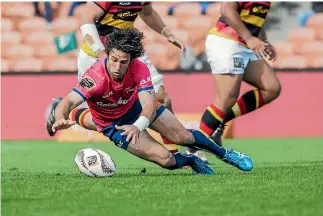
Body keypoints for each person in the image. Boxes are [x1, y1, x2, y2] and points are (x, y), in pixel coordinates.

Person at [49, 28, 253, 175]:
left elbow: (148, 105)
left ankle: (227, 154)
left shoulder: (140, 68)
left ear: (132, 60)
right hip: (114, 125)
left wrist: (137, 126)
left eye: (123, 61)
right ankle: (191, 161)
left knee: (183, 136)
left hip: (137, 110)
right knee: (167, 160)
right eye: (113, 59)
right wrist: (59, 118)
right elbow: (67, 102)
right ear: (108, 55)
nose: (117, 67)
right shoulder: (95, 76)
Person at [47, 1, 208, 161]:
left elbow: (147, 13)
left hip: (128, 52)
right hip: (97, 55)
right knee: (105, 118)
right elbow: (85, 17)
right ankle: (68, 111)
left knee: (161, 98)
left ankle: (176, 150)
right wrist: (101, 52)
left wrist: (168, 34)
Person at [186, 1, 281, 151]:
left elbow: (254, 20)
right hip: (226, 41)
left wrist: (263, 41)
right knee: (226, 98)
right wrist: (250, 39)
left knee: (271, 88)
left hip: (244, 45)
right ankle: (193, 150)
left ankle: (219, 123)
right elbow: (226, 9)